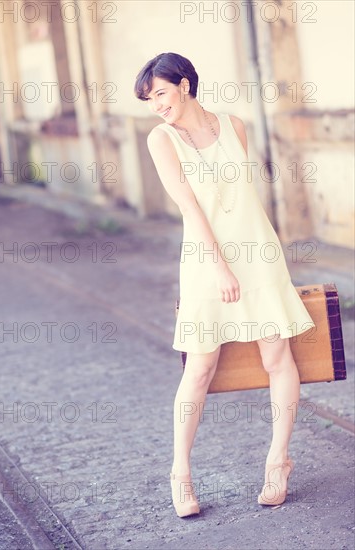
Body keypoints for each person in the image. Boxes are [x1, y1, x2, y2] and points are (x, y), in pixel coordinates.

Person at [133, 52, 315, 518]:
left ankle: (278, 460)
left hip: (259, 254)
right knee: (199, 367)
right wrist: (219, 268)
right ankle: (180, 473)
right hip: (205, 261)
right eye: (150, 98)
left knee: (277, 356)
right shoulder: (161, 139)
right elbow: (191, 209)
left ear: (185, 85)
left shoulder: (235, 126)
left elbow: (243, 201)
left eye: (161, 93)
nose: (157, 105)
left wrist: (247, 261)